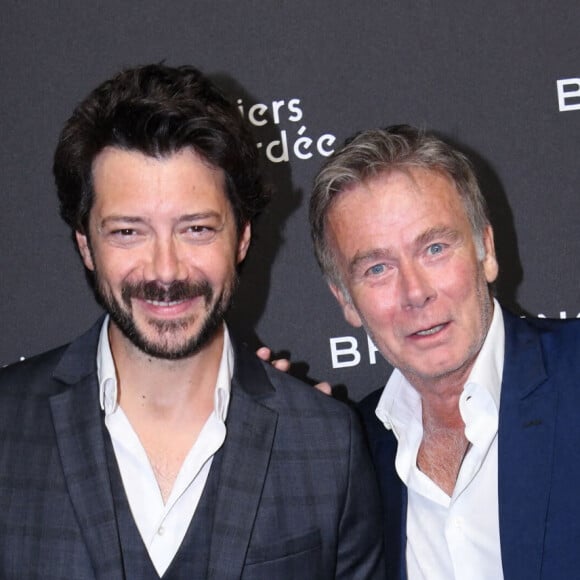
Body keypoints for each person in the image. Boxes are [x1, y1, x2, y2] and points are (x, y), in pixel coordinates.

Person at [0, 64, 384, 579]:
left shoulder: (328, 443)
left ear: (242, 238)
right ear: (85, 245)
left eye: (197, 228)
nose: (165, 270)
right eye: (128, 232)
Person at [308, 125, 580, 580]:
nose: (415, 292)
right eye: (377, 268)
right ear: (346, 300)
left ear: (485, 249)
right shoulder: (350, 456)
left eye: (434, 248)